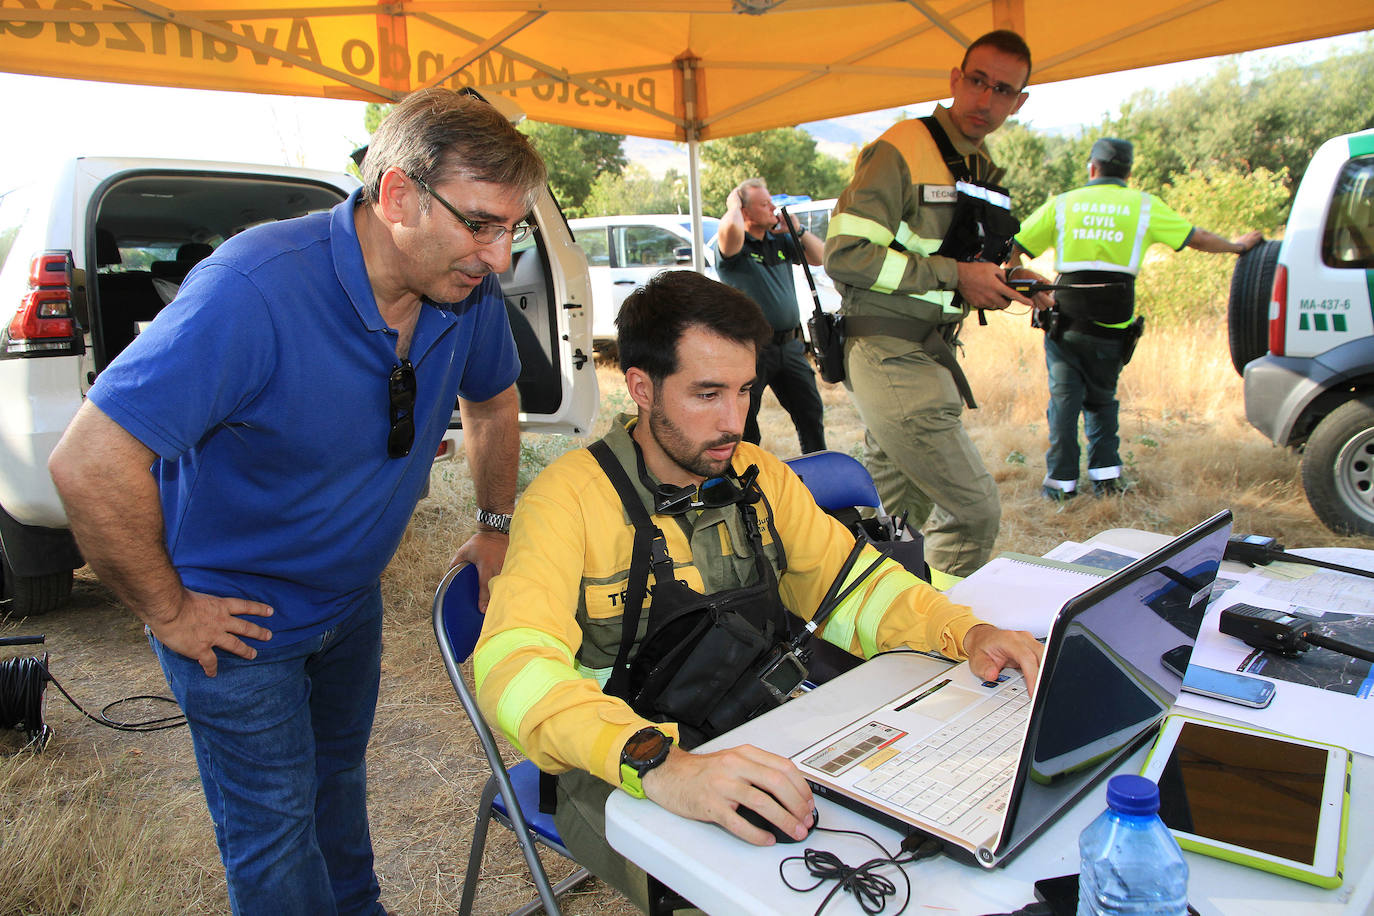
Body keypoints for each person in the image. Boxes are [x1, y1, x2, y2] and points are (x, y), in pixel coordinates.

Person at [47, 88, 542, 915]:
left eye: (512, 229)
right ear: (396, 196)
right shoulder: (254, 288)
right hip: (237, 624)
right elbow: (89, 460)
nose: (498, 257)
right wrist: (169, 611)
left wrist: (494, 527)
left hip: (348, 605)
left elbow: (493, 402)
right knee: (275, 838)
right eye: (481, 223)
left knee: (335, 785)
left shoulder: (463, 292)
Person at [473, 270, 1044, 913]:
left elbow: (854, 585)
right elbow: (511, 668)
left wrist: (966, 633)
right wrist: (662, 764)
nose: (733, 421)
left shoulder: (755, 474)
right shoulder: (568, 499)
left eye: (744, 391)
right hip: (613, 762)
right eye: (707, 393)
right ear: (641, 388)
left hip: (758, 725)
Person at [823, 30, 1050, 589]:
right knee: (974, 512)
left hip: (929, 356)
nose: (986, 99)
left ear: (1019, 102)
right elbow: (844, 255)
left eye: (1003, 90)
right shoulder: (904, 146)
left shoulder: (979, 164)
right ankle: (930, 627)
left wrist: (1020, 279)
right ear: (956, 80)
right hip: (889, 354)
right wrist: (957, 277)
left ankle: (852, 622)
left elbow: (974, 252)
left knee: (884, 523)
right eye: (978, 82)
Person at [1012, 137, 1263, 500]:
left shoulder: (1063, 204)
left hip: (1064, 324)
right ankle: (1106, 481)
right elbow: (1197, 237)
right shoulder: (1144, 206)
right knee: (1102, 401)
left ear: (1091, 168)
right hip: (1112, 327)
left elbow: (1014, 248)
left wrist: (1027, 284)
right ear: (1128, 173)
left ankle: (1060, 485)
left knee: (1064, 403)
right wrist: (1237, 246)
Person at [716, 178, 828, 455]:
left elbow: (821, 256)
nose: (772, 208)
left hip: (789, 346)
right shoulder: (735, 248)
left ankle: (819, 477)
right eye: (764, 204)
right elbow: (730, 231)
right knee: (746, 423)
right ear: (745, 211)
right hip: (751, 349)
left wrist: (797, 229)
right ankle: (747, 481)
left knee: (810, 414)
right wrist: (733, 206)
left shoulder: (779, 242)